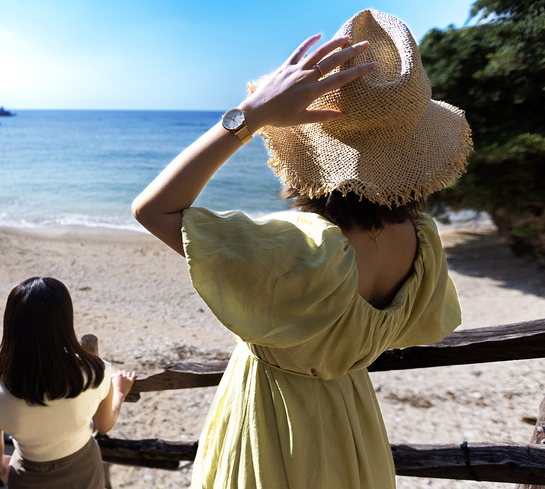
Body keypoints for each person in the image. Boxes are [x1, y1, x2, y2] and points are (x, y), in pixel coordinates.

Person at [132, 10, 470, 489]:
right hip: (351, 421)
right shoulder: (421, 242)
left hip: (269, 421)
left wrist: (246, 118)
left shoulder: (303, 251)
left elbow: (153, 210)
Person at [0, 276, 136, 488]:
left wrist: (2, 468)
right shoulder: (97, 372)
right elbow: (104, 425)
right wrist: (120, 393)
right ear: (66, 321)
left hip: (28, 476)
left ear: (11, 322)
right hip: (84, 469)